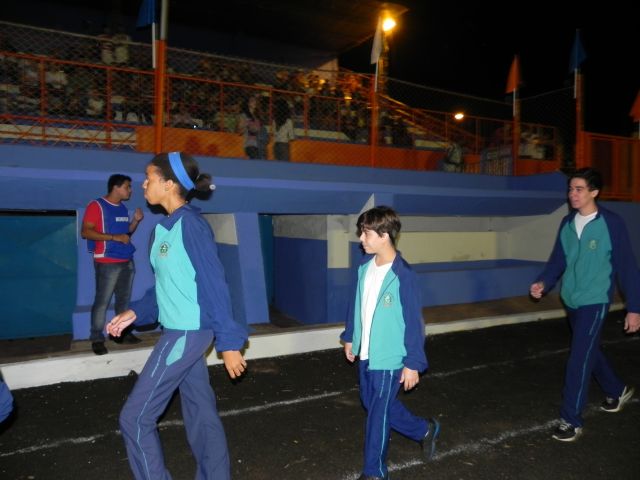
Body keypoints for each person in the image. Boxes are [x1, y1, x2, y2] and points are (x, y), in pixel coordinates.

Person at [106, 151, 248, 480]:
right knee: (201, 412)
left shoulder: (192, 226)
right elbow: (165, 287)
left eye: (149, 179)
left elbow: (214, 284)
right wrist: (135, 311)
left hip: (187, 333)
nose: (143, 184)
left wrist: (229, 342)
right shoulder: (161, 230)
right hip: (181, 331)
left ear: (169, 184)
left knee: (134, 418)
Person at [530, 167, 640, 442]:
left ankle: (571, 419)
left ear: (594, 192)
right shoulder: (567, 223)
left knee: (579, 358)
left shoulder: (611, 223)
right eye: (570, 189)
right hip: (572, 299)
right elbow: (558, 260)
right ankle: (616, 390)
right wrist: (544, 282)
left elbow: (627, 266)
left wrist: (634, 308)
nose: (572, 194)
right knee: (589, 349)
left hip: (595, 300)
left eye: (579, 189)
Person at [340, 206, 440, 480]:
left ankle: (374, 472)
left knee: (377, 415)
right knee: (371, 403)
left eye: (366, 233)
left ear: (384, 235)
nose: (361, 238)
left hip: (390, 356)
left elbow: (414, 322)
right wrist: (349, 337)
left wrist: (413, 363)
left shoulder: (403, 275)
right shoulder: (364, 267)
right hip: (366, 353)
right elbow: (356, 305)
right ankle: (424, 430)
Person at [81, 174, 144, 355]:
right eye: (127, 186)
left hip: (126, 260)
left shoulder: (122, 207)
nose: (130, 190)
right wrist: (114, 237)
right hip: (107, 261)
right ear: (116, 187)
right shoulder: (97, 206)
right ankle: (97, 338)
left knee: (124, 301)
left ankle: (121, 334)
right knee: (102, 302)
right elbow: (86, 232)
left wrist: (135, 221)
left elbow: (126, 234)